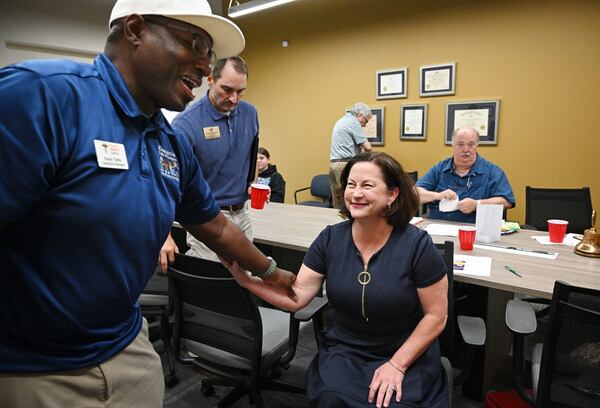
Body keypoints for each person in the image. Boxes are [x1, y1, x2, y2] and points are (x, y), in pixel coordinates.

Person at [0, 1, 295, 407]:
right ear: (135, 30)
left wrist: (271, 271)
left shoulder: (168, 141)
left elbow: (216, 226)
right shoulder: (43, 96)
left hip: (127, 346)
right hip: (34, 367)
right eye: (194, 44)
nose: (205, 68)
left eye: (208, 55)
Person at [229, 152, 449, 408]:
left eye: (367, 186)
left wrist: (397, 365)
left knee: (393, 402)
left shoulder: (417, 245)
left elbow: (437, 315)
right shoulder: (331, 238)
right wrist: (248, 282)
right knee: (332, 399)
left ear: (392, 195)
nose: (355, 193)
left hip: (403, 349)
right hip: (347, 348)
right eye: (351, 185)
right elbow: (297, 296)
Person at [161, 55, 258, 264]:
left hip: (242, 213)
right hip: (206, 217)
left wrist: (252, 182)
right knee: (209, 286)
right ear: (211, 80)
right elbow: (165, 183)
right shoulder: (185, 125)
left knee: (246, 284)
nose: (234, 98)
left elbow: (250, 153)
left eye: (240, 91)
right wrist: (164, 235)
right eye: (227, 90)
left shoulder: (250, 113)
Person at [416, 127, 515, 223]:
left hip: (476, 231)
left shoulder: (492, 171)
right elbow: (415, 194)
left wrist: (477, 204)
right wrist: (437, 195)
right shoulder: (439, 169)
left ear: (477, 146)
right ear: (453, 146)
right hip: (438, 227)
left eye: (471, 145)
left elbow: (507, 201)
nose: (466, 149)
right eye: (460, 144)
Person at [329, 102, 373, 208]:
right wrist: (372, 161)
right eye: (366, 120)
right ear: (360, 115)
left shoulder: (341, 120)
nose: (365, 124)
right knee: (349, 198)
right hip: (345, 165)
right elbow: (367, 147)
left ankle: (339, 223)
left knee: (338, 200)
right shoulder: (353, 122)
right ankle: (350, 223)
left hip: (334, 164)